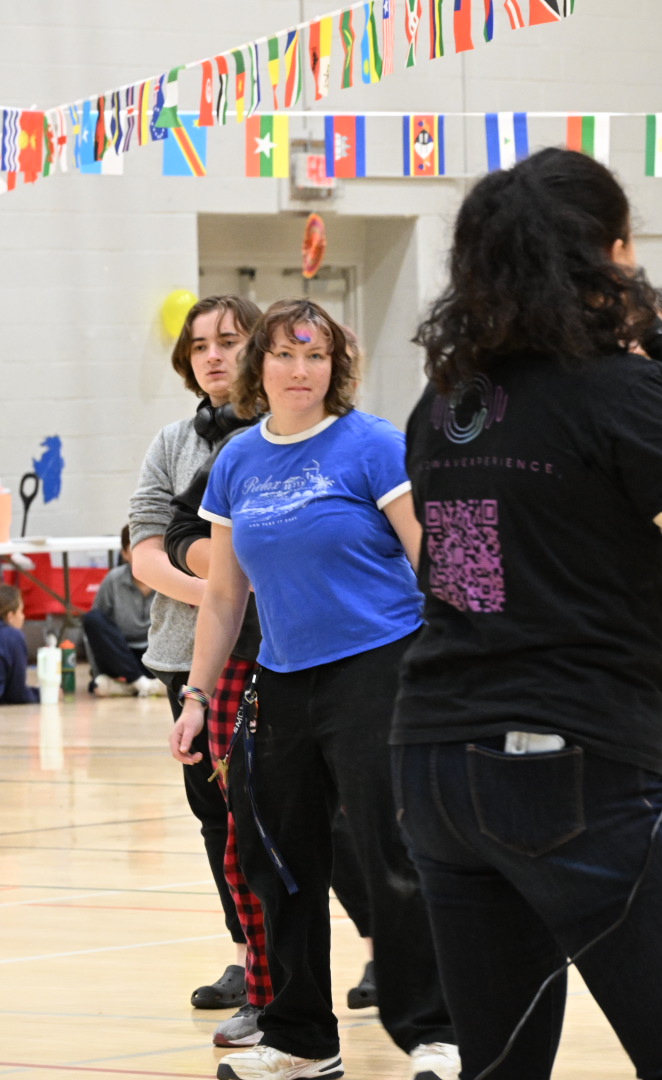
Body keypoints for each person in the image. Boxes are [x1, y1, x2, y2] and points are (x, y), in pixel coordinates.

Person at [393, 147, 662, 1080]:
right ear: (610, 256)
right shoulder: (619, 390)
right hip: (572, 766)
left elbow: (474, 576)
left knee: (504, 1068)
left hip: (435, 764)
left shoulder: (445, 398)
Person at [169, 298, 457, 1080]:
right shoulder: (237, 462)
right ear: (261, 365)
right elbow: (226, 597)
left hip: (379, 668)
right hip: (281, 681)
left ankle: (435, 1032)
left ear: (338, 367)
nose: (301, 371)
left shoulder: (372, 445)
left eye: (317, 356)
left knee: (390, 854)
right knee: (279, 862)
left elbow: (434, 563)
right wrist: (196, 696)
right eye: (286, 355)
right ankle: (302, 1039)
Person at [128, 294, 267, 1015]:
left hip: (275, 658)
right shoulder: (172, 443)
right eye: (200, 343)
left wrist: (232, 591)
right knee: (216, 815)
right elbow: (145, 553)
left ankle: (380, 947)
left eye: (230, 339)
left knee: (293, 814)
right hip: (191, 654)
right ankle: (247, 957)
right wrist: (217, 588)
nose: (213, 354)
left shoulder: (280, 433)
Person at [83, 525, 160, 696]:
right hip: (120, 655)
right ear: (125, 554)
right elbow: (96, 633)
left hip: (154, 657)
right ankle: (142, 684)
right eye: (135, 548)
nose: (143, 554)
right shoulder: (113, 580)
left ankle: (128, 687)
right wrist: (97, 673)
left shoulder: (168, 579)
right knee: (92, 618)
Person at [0, 584, 38, 705]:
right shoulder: (12, 636)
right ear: (10, 616)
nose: (23, 617)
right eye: (21, 611)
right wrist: (41, 694)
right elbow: (16, 694)